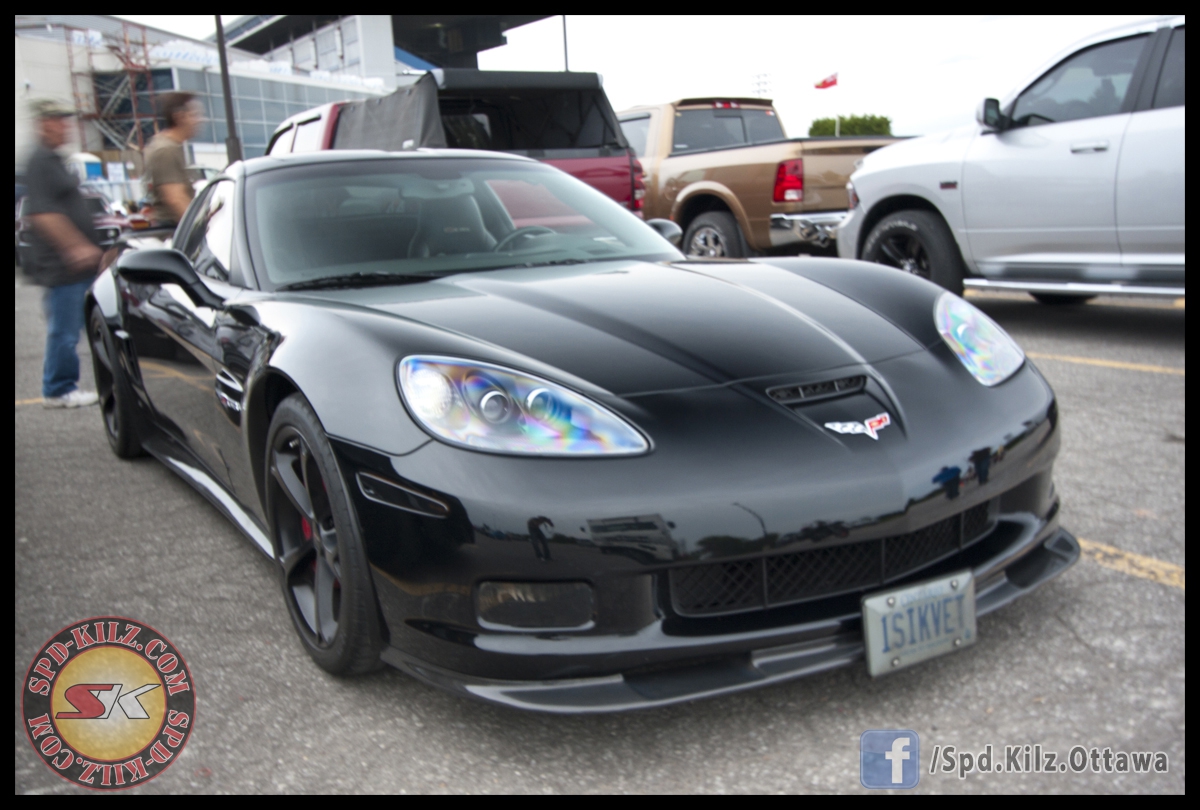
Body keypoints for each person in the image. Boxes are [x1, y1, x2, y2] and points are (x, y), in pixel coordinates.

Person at [24, 99, 102, 408]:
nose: (65, 127)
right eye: (59, 121)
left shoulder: (54, 160)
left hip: (75, 267)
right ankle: (58, 389)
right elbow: (43, 214)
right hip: (63, 266)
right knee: (65, 331)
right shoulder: (41, 161)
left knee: (76, 327)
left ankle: (63, 385)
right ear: (45, 124)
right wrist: (76, 246)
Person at [143, 92, 203, 227]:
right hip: (172, 227)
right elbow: (176, 199)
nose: (199, 120)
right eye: (194, 115)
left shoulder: (170, 146)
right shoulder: (166, 150)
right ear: (179, 117)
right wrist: (200, 227)